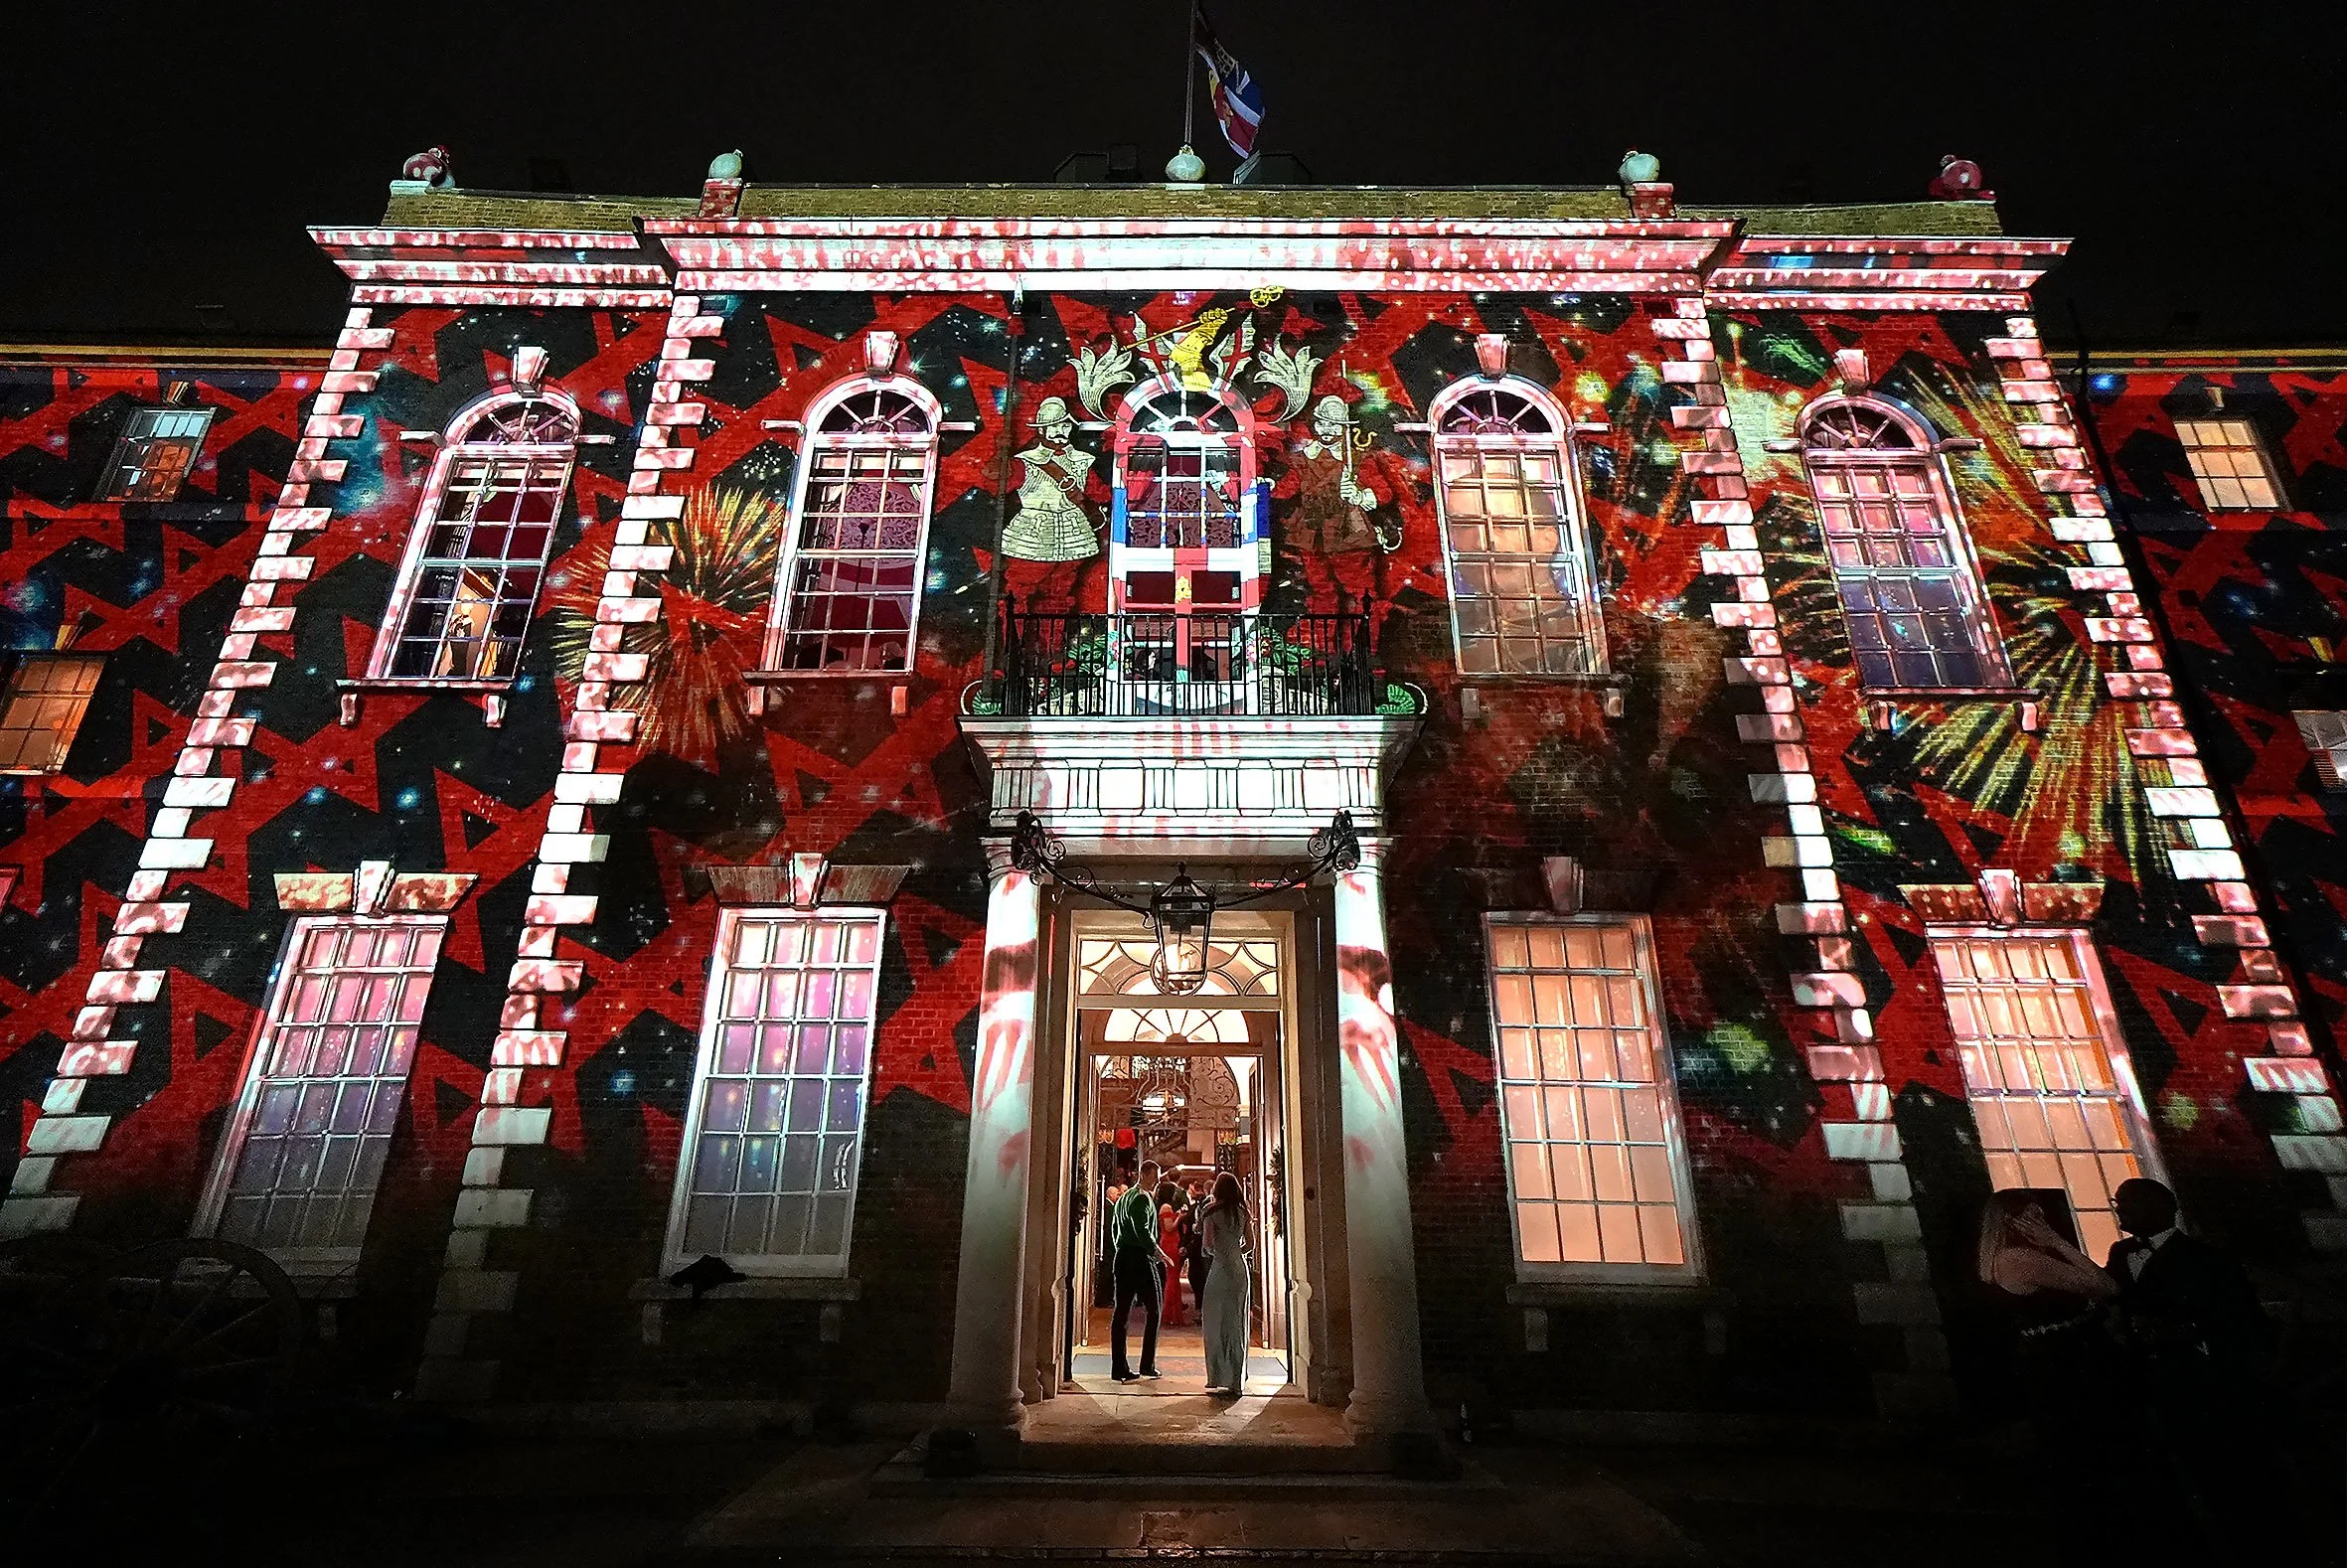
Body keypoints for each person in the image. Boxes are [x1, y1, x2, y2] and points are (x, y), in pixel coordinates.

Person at [1109, 1162, 1169, 1382]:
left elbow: (1115, 1228)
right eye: (1155, 1175)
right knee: (1154, 1310)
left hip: (1122, 1257)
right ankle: (1147, 1364)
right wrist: (1157, 1252)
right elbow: (1143, 1229)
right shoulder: (1142, 1198)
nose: (1158, 1180)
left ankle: (1119, 1367)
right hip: (1140, 1259)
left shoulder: (1122, 1198)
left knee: (1121, 1313)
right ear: (1143, 1174)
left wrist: (1120, 1249)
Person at [1199, 1172, 1254, 1396]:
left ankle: (1217, 1376)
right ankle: (1237, 1380)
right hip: (1239, 1270)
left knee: (1215, 1321)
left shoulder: (1211, 1213)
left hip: (1220, 1268)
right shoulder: (1243, 1213)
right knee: (1237, 1322)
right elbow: (1250, 1244)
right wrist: (1235, 1252)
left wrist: (1220, 1253)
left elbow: (1207, 1245)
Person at [1157, 1180, 1187, 1328]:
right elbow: (1169, 1228)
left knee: (1173, 1278)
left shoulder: (1164, 1207)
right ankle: (1169, 1313)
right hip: (1170, 1244)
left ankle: (1172, 1314)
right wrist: (1180, 1218)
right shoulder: (1166, 1207)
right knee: (1172, 1278)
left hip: (1169, 1242)